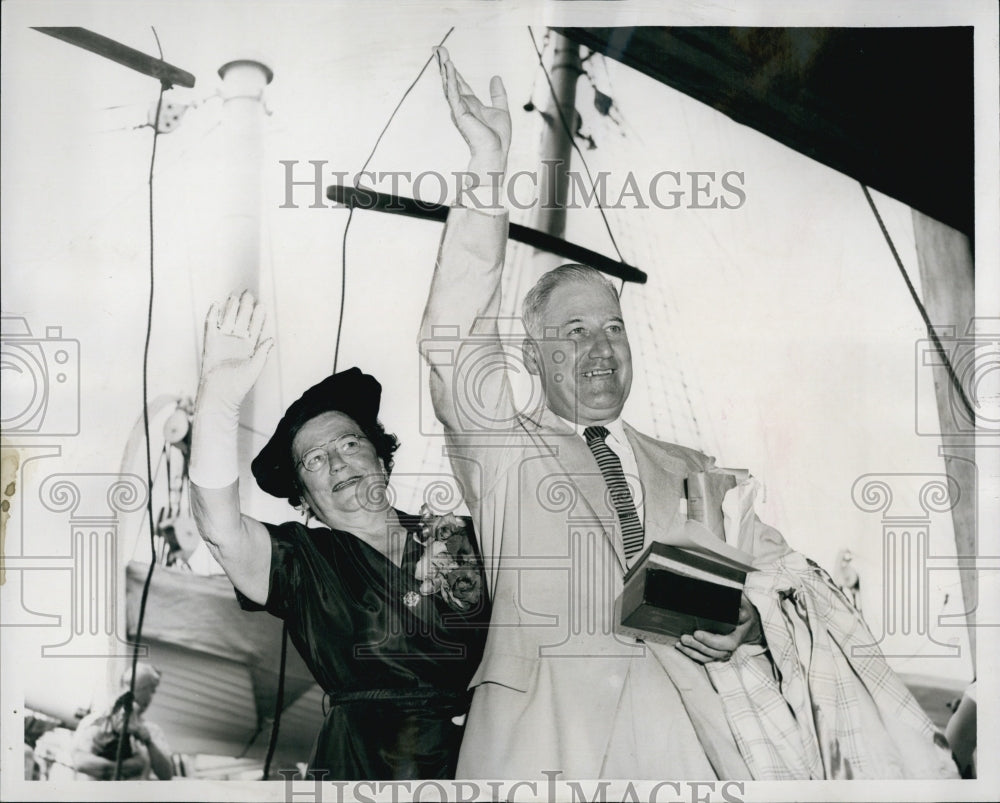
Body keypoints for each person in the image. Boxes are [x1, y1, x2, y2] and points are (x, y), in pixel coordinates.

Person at [419, 47, 958, 780]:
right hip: (543, 748)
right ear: (534, 355)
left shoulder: (698, 471)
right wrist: (488, 163)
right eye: (575, 332)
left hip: (692, 749)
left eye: (613, 327)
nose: (602, 347)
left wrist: (746, 623)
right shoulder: (502, 448)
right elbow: (452, 335)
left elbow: (778, 583)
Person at [189, 292, 489, 780]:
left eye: (350, 443)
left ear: (380, 458)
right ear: (304, 497)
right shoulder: (303, 564)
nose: (337, 462)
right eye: (314, 459)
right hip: (362, 772)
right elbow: (221, 530)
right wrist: (217, 402)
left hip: (482, 764)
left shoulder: (464, 536)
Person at [70, 662, 173, 780]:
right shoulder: (95, 721)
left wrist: (148, 742)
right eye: (152, 690)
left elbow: (167, 775)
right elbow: (79, 762)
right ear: (141, 688)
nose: (151, 697)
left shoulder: (152, 731)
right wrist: (134, 766)